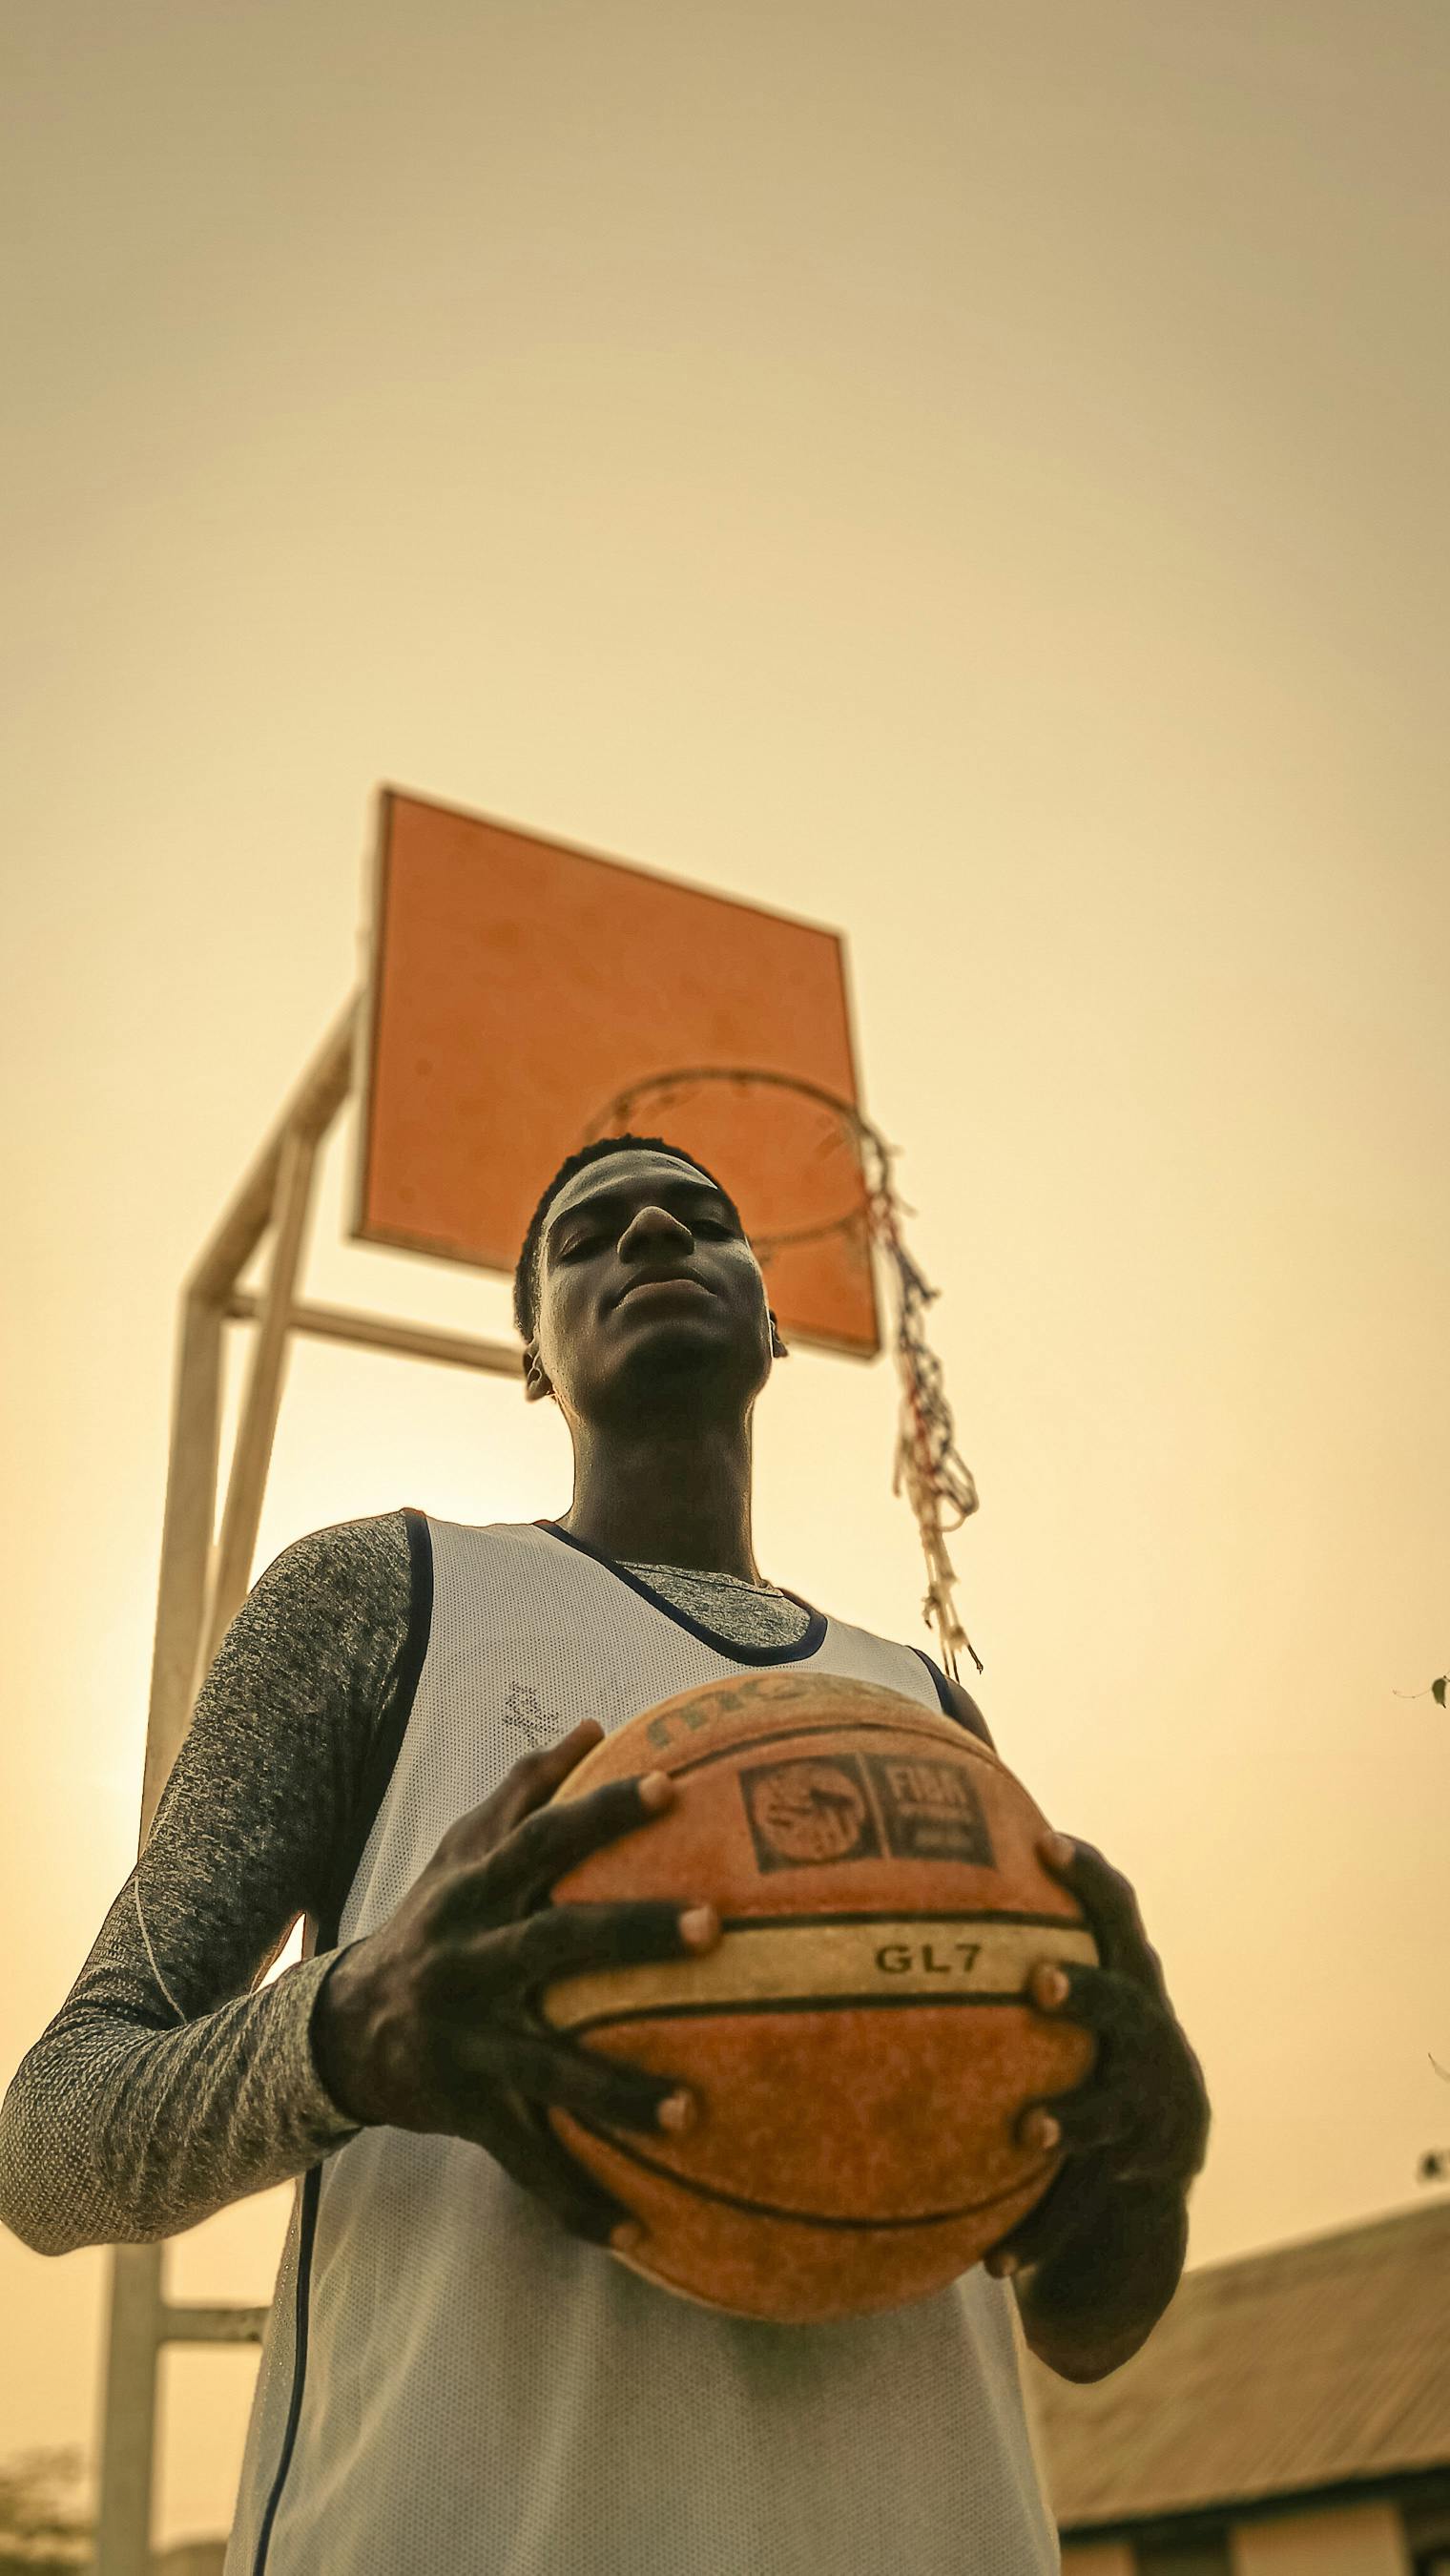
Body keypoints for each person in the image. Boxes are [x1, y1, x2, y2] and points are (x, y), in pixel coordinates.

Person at [0, 1135, 1209, 2576]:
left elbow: (1080, 2326)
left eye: (705, 1216)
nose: (650, 1227)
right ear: (533, 1359)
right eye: (586, 1237)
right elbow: (52, 2142)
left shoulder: (926, 1711)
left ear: (769, 1321)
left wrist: (1148, 2161)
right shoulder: (387, 1591)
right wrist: (350, 2029)